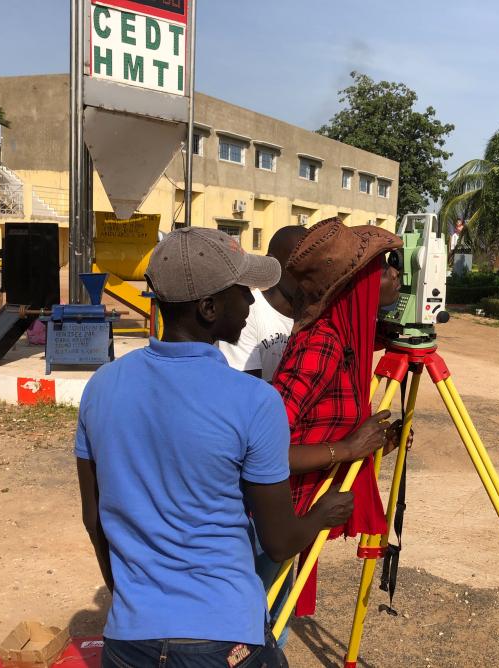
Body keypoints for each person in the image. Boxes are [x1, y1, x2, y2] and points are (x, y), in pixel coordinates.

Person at [75, 227, 353, 668]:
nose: (250, 302)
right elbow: (280, 543)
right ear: (208, 308)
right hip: (223, 639)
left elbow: (95, 519)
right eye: (243, 291)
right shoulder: (254, 402)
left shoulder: (102, 386)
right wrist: (324, 514)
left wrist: (133, 605)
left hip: (129, 641)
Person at [271, 217, 407, 616]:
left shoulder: (346, 337)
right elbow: (263, 448)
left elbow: (325, 416)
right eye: (380, 268)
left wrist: (379, 439)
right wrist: (346, 449)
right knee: (256, 631)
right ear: (356, 285)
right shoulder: (323, 344)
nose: (393, 274)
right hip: (276, 520)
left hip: (291, 517)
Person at [219, 225, 308, 382]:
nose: (308, 272)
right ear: (272, 263)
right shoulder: (245, 312)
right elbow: (247, 389)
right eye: (299, 262)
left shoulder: (315, 313)